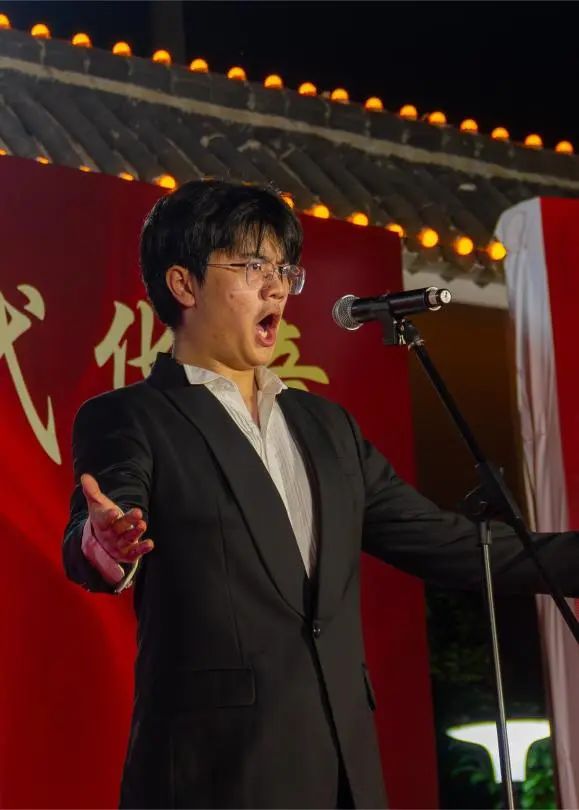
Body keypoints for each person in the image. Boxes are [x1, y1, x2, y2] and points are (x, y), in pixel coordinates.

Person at [63, 179, 579, 810]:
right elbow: (106, 514)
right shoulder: (133, 416)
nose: (277, 287)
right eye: (252, 267)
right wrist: (105, 545)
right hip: (216, 774)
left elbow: (456, 547)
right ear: (184, 285)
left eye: (283, 270)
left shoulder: (327, 429)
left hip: (343, 768)